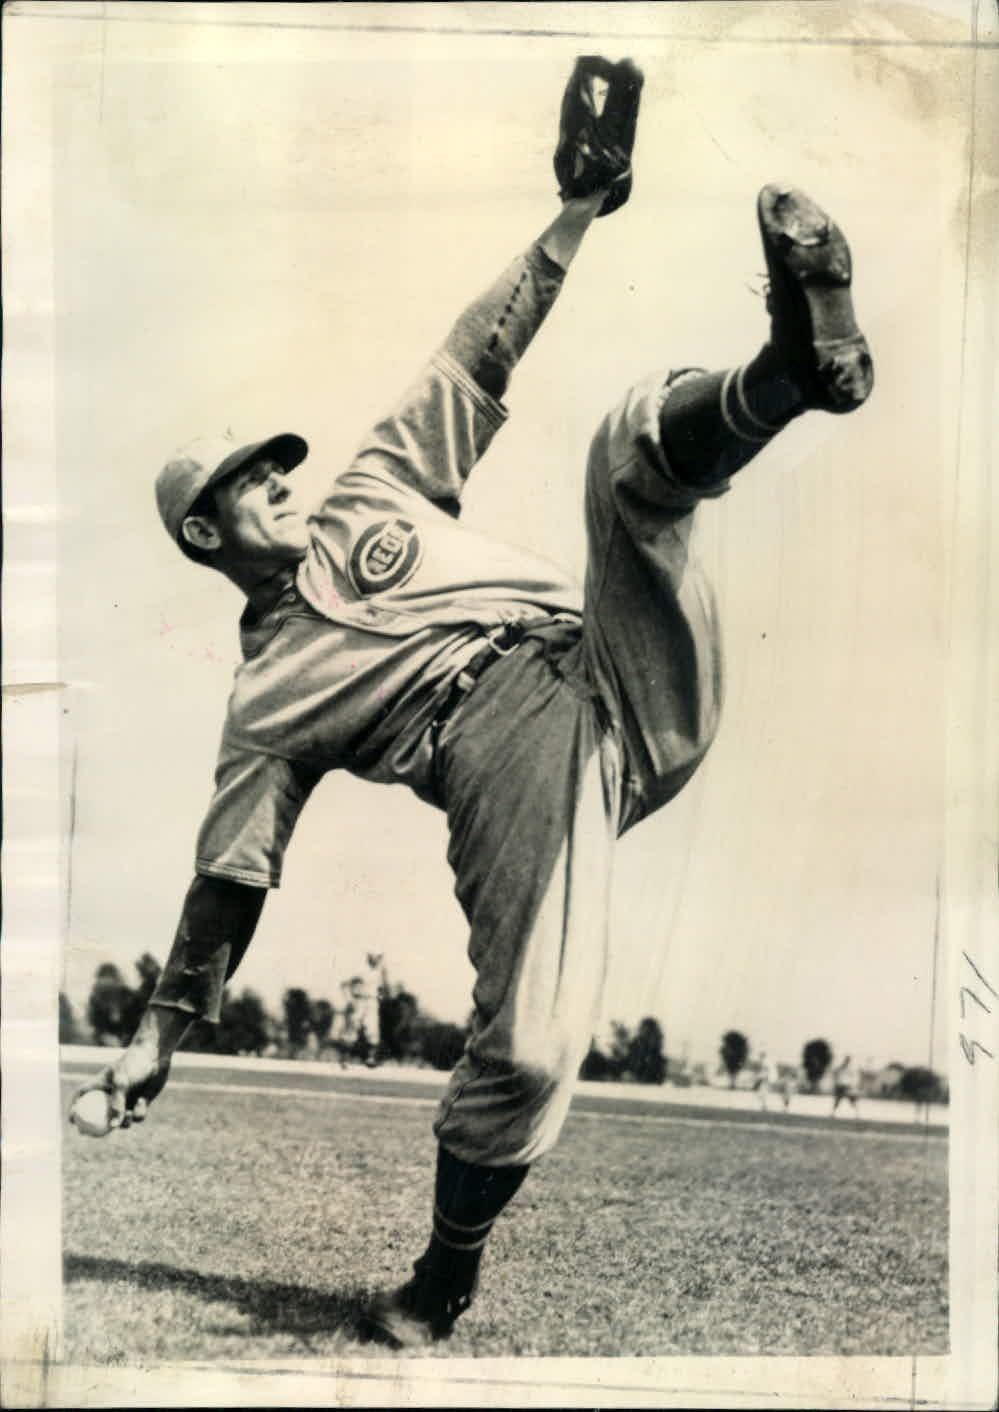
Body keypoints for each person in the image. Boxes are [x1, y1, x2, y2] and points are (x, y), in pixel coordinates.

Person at [70, 58, 873, 1348]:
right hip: (508, 758)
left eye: (275, 463)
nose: (278, 477)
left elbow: (478, 346)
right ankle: (445, 1274)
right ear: (202, 533)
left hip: (613, 662)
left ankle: (792, 368)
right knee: (531, 1051)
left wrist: (578, 209)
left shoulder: (373, 489)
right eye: (245, 480)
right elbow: (229, 879)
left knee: (627, 447)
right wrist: (157, 1039)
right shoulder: (265, 699)